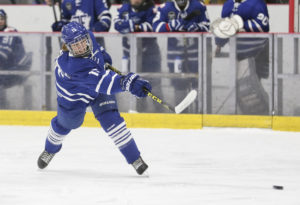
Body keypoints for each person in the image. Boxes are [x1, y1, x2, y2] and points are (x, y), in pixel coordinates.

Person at [37, 22, 151, 175]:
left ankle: (135, 158)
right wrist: (128, 83)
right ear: (67, 46)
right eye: (75, 45)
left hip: (96, 86)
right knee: (65, 125)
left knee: (112, 120)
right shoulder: (72, 66)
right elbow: (105, 84)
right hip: (73, 98)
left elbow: (100, 53)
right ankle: (49, 149)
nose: (81, 46)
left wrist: (105, 59)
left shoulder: (89, 36)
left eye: (83, 41)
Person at [212, 0, 270, 115]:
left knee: (251, 88)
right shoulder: (228, 5)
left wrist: (240, 24)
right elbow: (225, 29)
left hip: (258, 53)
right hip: (239, 55)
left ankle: (261, 114)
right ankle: (250, 115)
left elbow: (263, 26)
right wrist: (219, 44)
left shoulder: (257, 3)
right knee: (243, 88)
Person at [152, 0, 210, 112]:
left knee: (197, 85)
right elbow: (155, 26)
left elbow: (207, 26)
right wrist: (170, 26)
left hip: (196, 54)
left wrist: (198, 27)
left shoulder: (198, 6)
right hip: (175, 56)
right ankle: (182, 116)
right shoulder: (165, 7)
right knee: (179, 86)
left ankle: (199, 113)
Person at [114, 0, 162, 112]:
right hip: (130, 55)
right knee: (137, 85)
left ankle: (160, 111)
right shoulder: (123, 8)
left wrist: (129, 26)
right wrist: (137, 26)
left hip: (151, 55)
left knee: (155, 85)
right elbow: (117, 25)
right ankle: (141, 112)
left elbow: (152, 26)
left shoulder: (151, 8)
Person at [0, 9, 32, 108]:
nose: (0, 21)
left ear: (5, 20)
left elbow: (3, 55)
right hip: (5, 70)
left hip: (16, 69)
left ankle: (3, 107)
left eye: (1, 18)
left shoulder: (10, 31)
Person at [46, 0, 111, 32]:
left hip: (94, 44)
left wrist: (102, 24)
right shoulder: (66, 1)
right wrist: (61, 25)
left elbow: (105, 15)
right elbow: (66, 20)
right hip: (74, 45)